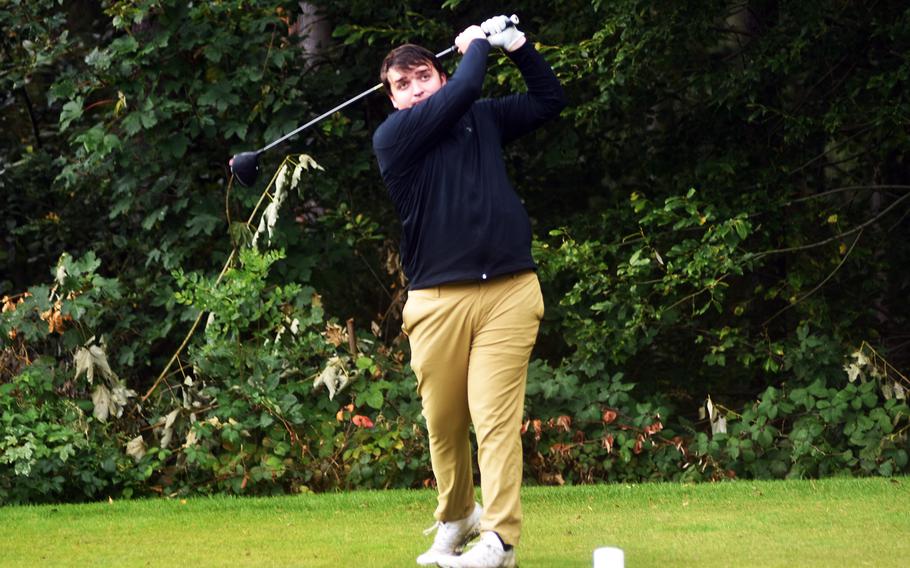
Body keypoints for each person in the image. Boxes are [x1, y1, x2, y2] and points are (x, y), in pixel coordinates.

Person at [372, 15, 566, 568]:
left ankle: (500, 541)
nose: (414, 89)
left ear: (437, 76)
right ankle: (457, 515)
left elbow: (549, 100)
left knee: (493, 416)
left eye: (422, 77)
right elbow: (469, 84)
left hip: (509, 292)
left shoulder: (481, 119)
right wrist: (475, 46)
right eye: (401, 85)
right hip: (436, 302)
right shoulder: (395, 138)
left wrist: (519, 47)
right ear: (393, 100)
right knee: (445, 422)